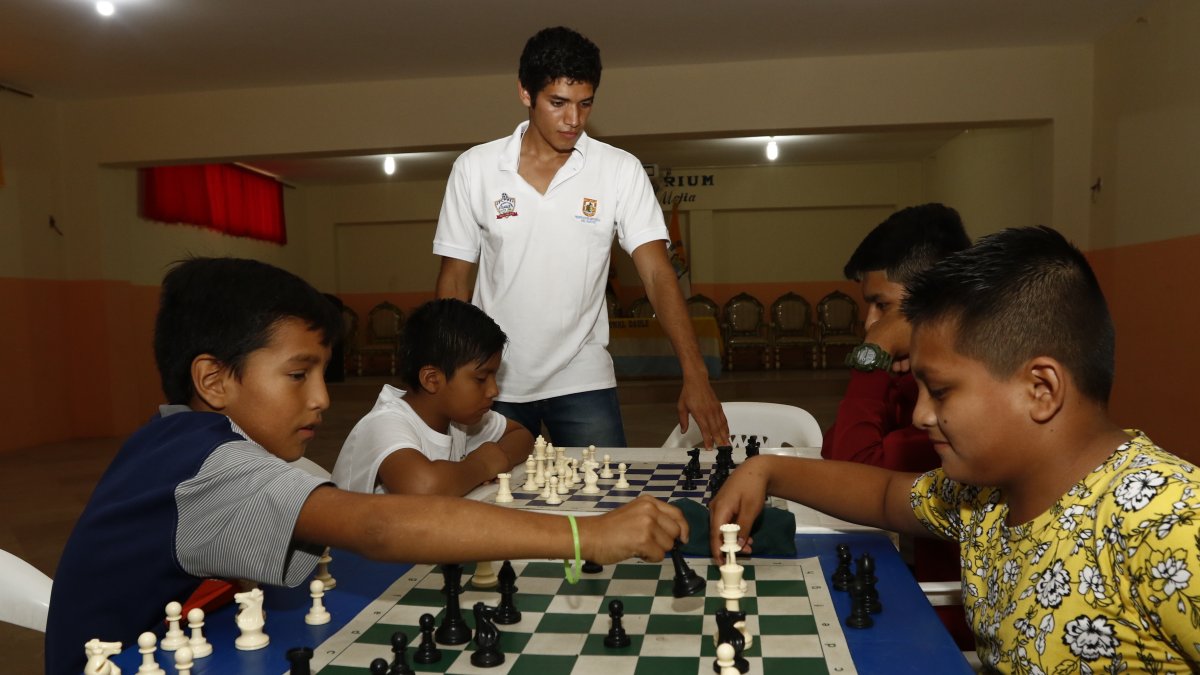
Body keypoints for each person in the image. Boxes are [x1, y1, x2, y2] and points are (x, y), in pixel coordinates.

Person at [45, 257, 688, 675]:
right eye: (299, 375)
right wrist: (587, 534)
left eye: (324, 374)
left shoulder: (174, 441)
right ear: (213, 379)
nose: (322, 399)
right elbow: (381, 528)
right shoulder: (207, 463)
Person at [711, 226, 1200, 673]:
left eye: (940, 392)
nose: (922, 414)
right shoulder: (985, 496)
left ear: (1041, 389)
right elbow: (883, 495)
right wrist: (765, 470)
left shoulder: (1169, 521)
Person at [433, 26, 727, 449]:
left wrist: (695, 373)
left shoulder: (619, 170)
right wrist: (448, 373)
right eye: (558, 103)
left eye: (585, 104)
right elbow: (455, 280)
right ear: (524, 93)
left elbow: (658, 276)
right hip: (492, 379)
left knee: (606, 506)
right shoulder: (475, 169)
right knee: (489, 507)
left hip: (583, 379)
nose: (573, 120)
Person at [821, 204, 971, 643]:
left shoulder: (963, 409)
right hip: (919, 588)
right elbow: (839, 450)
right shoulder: (920, 379)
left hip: (948, 631)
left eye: (882, 306)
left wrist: (873, 358)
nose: (870, 324)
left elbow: (851, 470)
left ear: (935, 299)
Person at [332, 298, 533, 496]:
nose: (493, 390)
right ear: (432, 379)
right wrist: (482, 465)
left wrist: (497, 458)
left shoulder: (458, 417)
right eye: (481, 379)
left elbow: (522, 435)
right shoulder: (383, 424)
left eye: (494, 376)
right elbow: (424, 487)